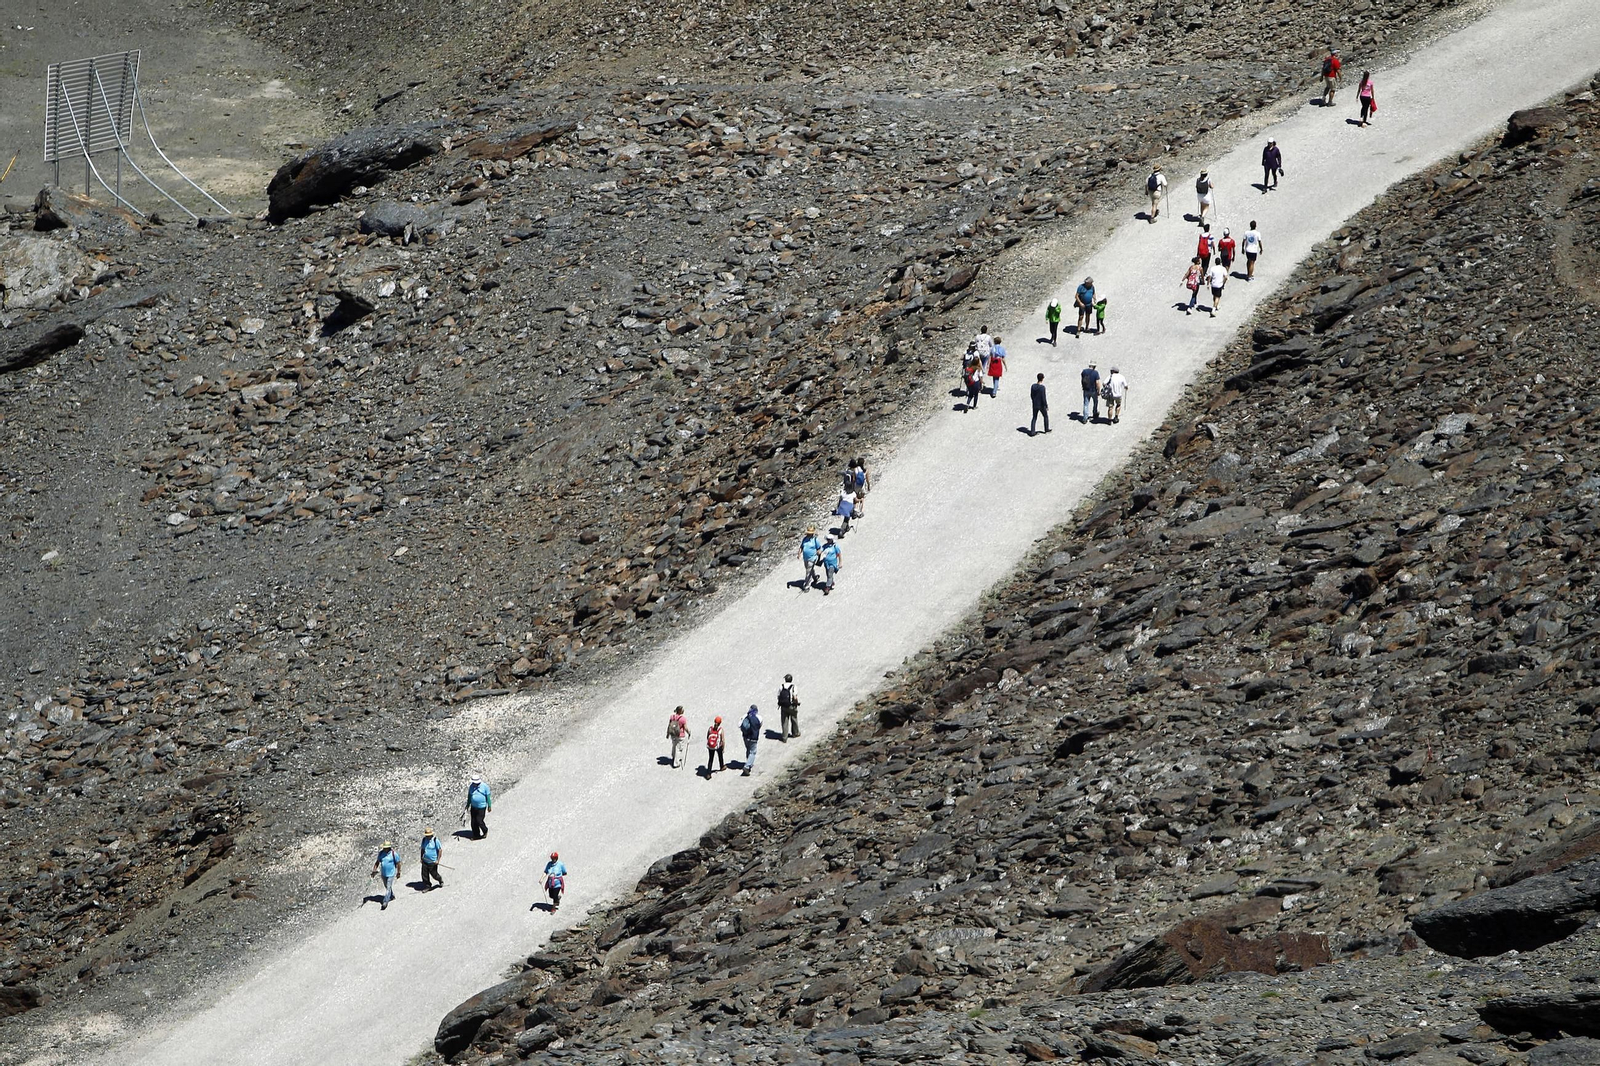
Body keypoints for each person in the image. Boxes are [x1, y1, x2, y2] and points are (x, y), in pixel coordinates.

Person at [371, 842, 401, 910]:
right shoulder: (381, 853)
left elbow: (398, 863)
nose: (383, 849)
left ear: (388, 848)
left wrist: (398, 872)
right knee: (387, 886)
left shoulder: (394, 854)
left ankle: (385, 901)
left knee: (388, 887)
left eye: (385, 848)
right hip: (383, 874)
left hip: (391, 874)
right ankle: (392, 896)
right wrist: (374, 870)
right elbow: (377, 862)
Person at [464, 775, 491, 840]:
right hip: (473, 807)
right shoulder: (471, 787)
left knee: (479, 820)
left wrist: (489, 805)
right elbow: (469, 796)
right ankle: (476, 835)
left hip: (482, 807)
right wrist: (468, 804)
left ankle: (485, 830)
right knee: (473, 822)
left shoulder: (485, 786)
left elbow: (488, 797)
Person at [739, 705, 762, 776]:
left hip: (745, 737)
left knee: (748, 749)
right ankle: (747, 766)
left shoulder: (746, 716)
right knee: (753, 752)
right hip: (753, 738)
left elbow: (739, 725)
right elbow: (759, 726)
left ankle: (749, 763)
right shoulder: (758, 718)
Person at [777, 674, 800, 739]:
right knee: (794, 719)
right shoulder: (793, 686)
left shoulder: (781, 686)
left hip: (783, 706)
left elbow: (778, 696)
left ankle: (784, 736)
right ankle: (795, 733)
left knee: (784, 721)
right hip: (791, 706)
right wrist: (796, 703)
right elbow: (794, 697)